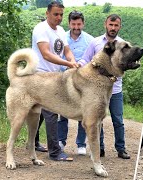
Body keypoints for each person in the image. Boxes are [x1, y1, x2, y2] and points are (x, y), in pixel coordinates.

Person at [78, 14, 130, 159]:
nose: (113, 28)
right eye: (111, 25)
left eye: (116, 25)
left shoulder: (123, 45)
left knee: (118, 120)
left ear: (120, 26)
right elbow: (85, 59)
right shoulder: (95, 43)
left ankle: (121, 149)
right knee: (97, 119)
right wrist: (78, 67)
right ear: (105, 24)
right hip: (97, 91)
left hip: (116, 89)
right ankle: (99, 149)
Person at [32, 1, 78, 161]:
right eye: (55, 14)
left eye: (61, 15)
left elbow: (66, 50)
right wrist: (67, 63)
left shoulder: (60, 30)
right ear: (47, 13)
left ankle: (34, 142)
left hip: (55, 76)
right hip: (40, 76)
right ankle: (55, 152)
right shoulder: (41, 29)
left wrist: (72, 60)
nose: (59, 18)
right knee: (51, 112)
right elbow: (45, 54)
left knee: (41, 113)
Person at [57, 10, 94, 155]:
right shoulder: (61, 38)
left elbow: (92, 60)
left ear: (83, 24)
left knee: (83, 112)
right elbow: (56, 57)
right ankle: (61, 141)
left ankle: (81, 144)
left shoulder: (90, 40)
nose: (76, 27)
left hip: (83, 82)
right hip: (63, 79)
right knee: (62, 110)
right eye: (74, 24)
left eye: (79, 24)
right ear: (69, 23)